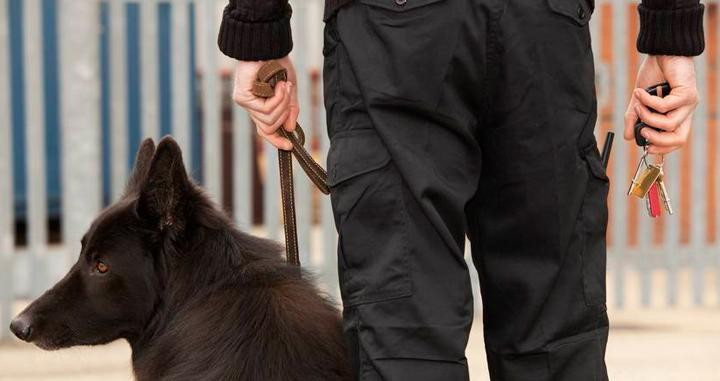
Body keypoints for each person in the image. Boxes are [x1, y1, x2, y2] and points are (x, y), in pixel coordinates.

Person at [218, 0, 703, 379]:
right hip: (541, 25)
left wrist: (258, 31)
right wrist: (670, 34)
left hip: (393, 37)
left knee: (406, 331)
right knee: (553, 339)